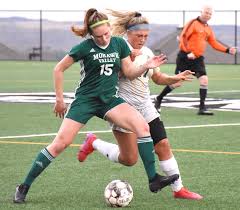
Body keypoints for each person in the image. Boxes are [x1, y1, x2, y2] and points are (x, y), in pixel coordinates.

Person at [13, 8, 179, 204]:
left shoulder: (118, 44)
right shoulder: (84, 47)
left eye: (107, 33)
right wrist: (59, 100)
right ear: (91, 34)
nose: (104, 39)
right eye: (98, 36)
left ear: (110, 29)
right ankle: (24, 186)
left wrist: (145, 66)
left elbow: (129, 72)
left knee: (143, 127)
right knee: (60, 144)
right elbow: (58, 68)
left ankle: (153, 179)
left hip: (109, 100)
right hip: (86, 101)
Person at [77, 10, 202, 200]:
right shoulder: (116, 49)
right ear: (128, 33)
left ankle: (179, 189)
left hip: (145, 107)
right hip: (122, 109)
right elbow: (113, 75)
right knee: (129, 159)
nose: (143, 39)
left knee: (163, 145)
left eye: (146, 36)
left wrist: (173, 78)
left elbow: (157, 77)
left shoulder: (147, 52)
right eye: (139, 35)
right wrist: (131, 63)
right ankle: (93, 142)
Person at [154, 5, 237, 115]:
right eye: (206, 12)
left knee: (204, 80)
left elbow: (214, 43)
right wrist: (188, 52)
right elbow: (183, 37)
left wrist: (227, 50)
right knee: (177, 83)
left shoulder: (208, 28)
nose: (208, 15)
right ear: (201, 12)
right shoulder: (193, 23)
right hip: (185, 58)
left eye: (210, 13)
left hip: (198, 59)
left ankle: (202, 108)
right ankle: (158, 99)